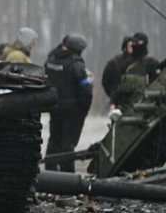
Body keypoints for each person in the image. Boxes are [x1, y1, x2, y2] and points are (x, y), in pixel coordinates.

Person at [44, 33, 93, 172]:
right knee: (68, 143)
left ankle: (50, 171)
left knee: (54, 139)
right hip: (72, 110)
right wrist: (84, 108)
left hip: (54, 106)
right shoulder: (76, 64)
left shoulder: (51, 59)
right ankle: (67, 176)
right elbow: (86, 90)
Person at [111, 32, 160, 110]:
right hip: (124, 107)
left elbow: (156, 88)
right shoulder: (127, 63)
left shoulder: (152, 63)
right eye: (133, 42)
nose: (134, 45)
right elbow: (118, 85)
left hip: (143, 108)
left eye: (137, 42)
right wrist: (113, 102)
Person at [101, 36, 133, 101]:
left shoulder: (140, 62)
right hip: (118, 100)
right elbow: (105, 81)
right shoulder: (114, 62)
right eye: (130, 46)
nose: (133, 48)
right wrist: (113, 95)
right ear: (125, 47)